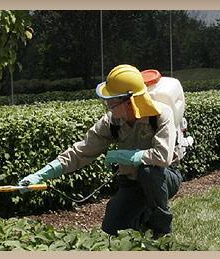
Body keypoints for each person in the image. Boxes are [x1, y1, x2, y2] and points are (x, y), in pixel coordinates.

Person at [18, 64, 183, 237]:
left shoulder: (161, 115)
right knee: (111, 230)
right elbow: (81, 151)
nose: (108, 105)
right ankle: (141, 216)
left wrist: (128, 157)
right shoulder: (111, 122)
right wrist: (42, 174)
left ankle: (162, 228)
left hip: (164, 177)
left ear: (130, 101)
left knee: (148, 172)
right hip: (132, 182)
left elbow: (163, 157)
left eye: (112, 101)